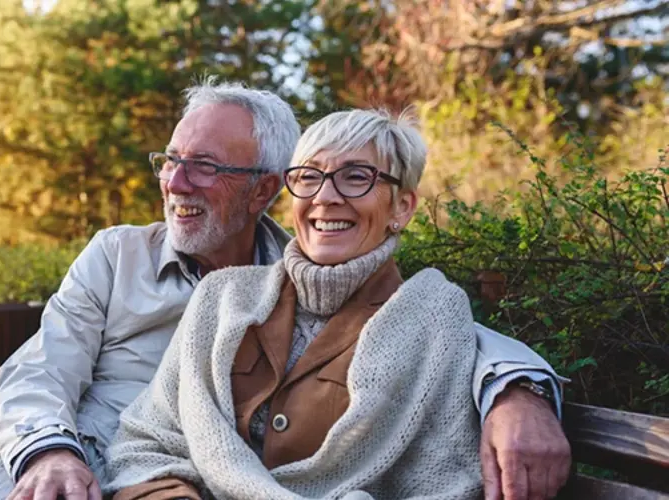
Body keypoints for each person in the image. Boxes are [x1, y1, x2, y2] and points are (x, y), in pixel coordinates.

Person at [0, 80, 570, 500]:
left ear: (265, 189)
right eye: (170, 160)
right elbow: (39, 372)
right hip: (82, 462)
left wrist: (520, 390)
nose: (174, 181)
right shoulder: (121, 256)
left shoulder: (290, 275)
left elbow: (439, 332)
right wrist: (49, 452)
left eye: (203, 166)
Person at [104, 108, 486, 499]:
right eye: (309, 177)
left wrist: (525, 389)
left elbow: (445, 482)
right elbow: (144, 445)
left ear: (402, 207)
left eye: (356, 177)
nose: (325, 196)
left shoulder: (433, 317)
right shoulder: (221, 298)